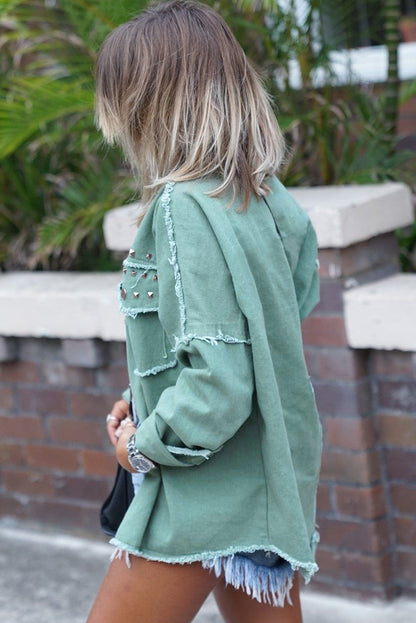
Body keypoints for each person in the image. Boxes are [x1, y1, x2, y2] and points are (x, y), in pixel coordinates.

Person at [88, 2, 322, 622]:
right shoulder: (271, 200)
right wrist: (145, 393)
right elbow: (273, 325)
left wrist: (143, 445)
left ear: (148, 101)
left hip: (202, 491)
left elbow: (219, 382)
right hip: (268, 484)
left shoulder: (181, 208)